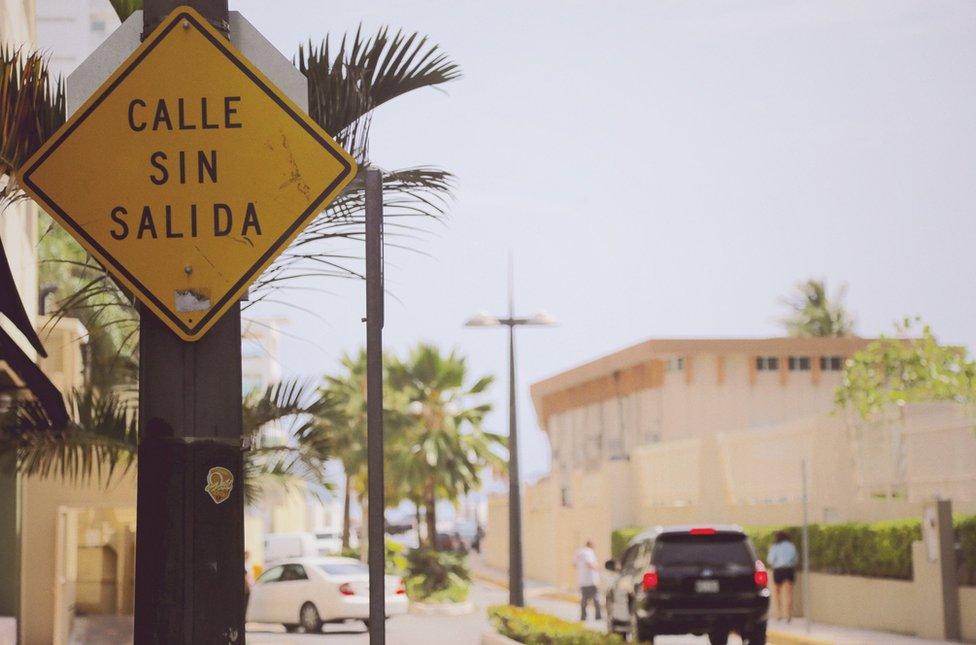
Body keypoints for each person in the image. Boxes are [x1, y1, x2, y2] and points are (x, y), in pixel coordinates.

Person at [766, 531, 798, 622]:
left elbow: (770, 560)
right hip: (789, 570)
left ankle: (778, 614)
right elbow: (795, 559)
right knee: (789, 593)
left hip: (778, 570)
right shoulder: (791, 546)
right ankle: (788, 615)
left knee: (777, 593)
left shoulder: (775, 547)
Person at [574, 539, 601, 622]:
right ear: (591, 545)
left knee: (584, 599)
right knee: (596, 598)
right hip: (591, 580)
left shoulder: (579, 552)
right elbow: (589, 563)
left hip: (582, 580)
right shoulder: (589, 552)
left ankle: (583, 616)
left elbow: (574, 564)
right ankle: (598, 616)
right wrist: (597, 569)